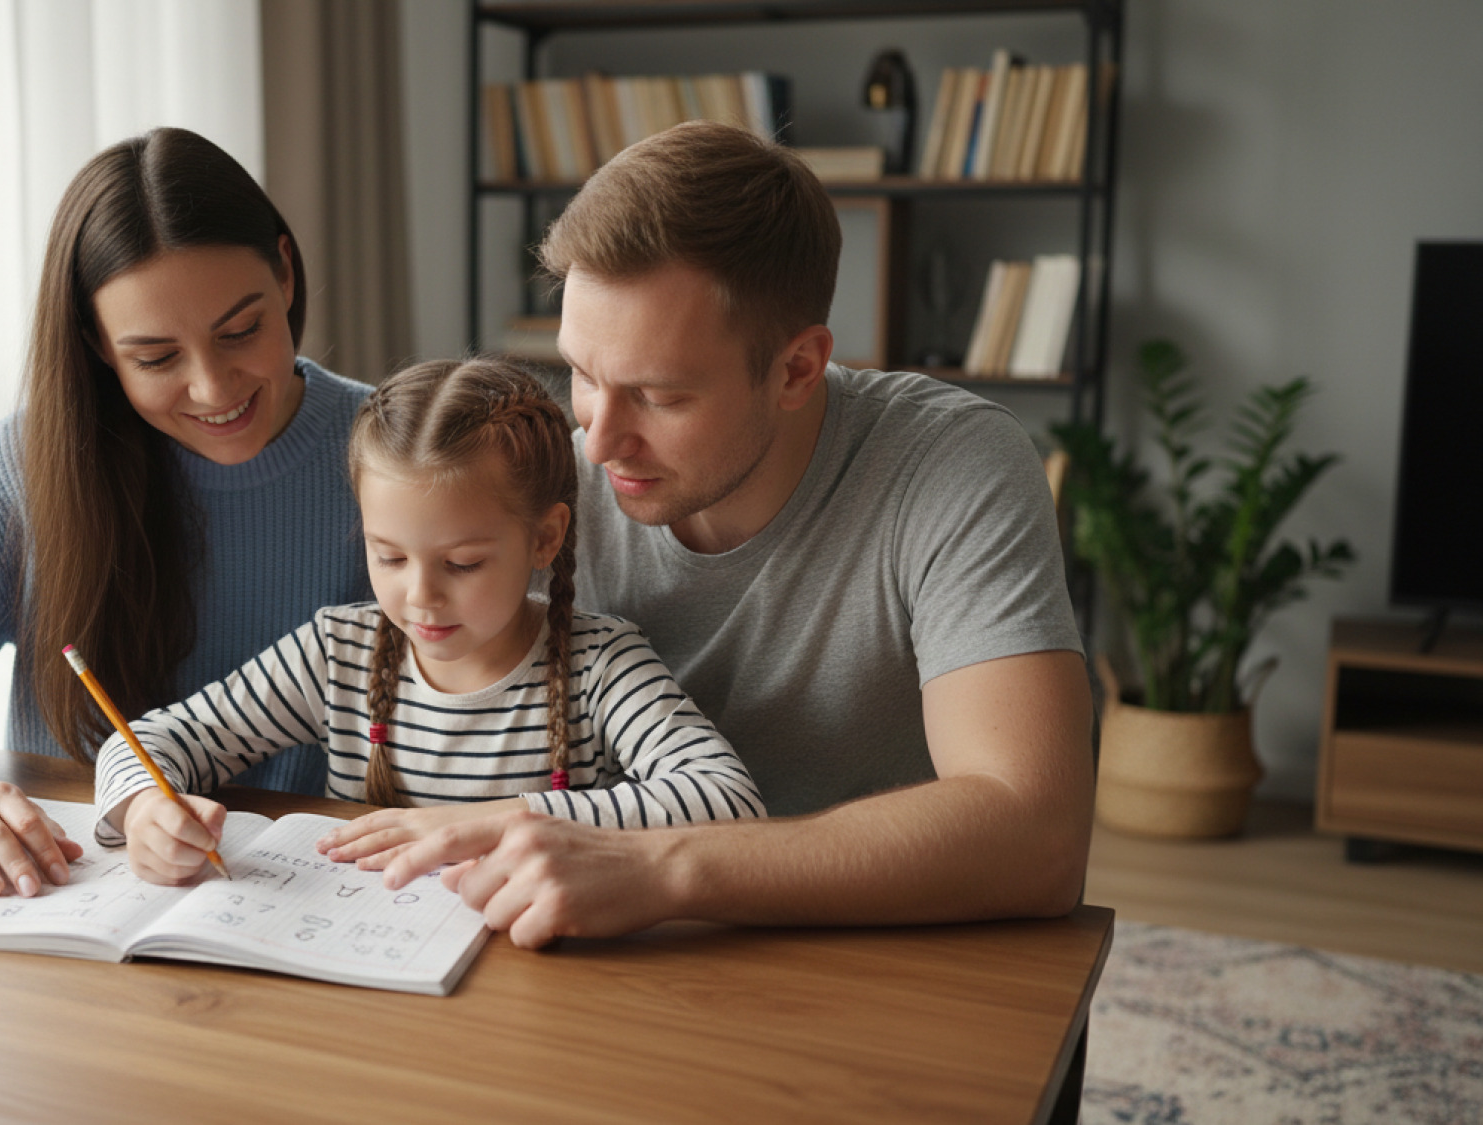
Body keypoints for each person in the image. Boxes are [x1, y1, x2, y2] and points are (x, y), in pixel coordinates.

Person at [381, 121, 1095, 948]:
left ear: (796, 368)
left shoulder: (950, 464)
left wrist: (666, 866)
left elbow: (1037, 836)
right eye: (580, 373)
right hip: (602, 960)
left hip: (880, 964)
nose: (600, 441)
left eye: (659, 395)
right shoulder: (546, 489)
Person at [0, 128, 373, 902]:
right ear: (99, 343)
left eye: (241, 331)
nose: (212, 387)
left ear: (287, 273)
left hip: (323, 912)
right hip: (78, 920)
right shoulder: (34, 468)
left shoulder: (400, 455)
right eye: (157, 358)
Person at [93, 359, 764, 885]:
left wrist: (493, 822)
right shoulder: (339, 654)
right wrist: (147, 810)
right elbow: (146, 740)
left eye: (463, 563)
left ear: (544, 537)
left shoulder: (598, 664)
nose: (420, 597)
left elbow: (728, 801)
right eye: (388, 556)